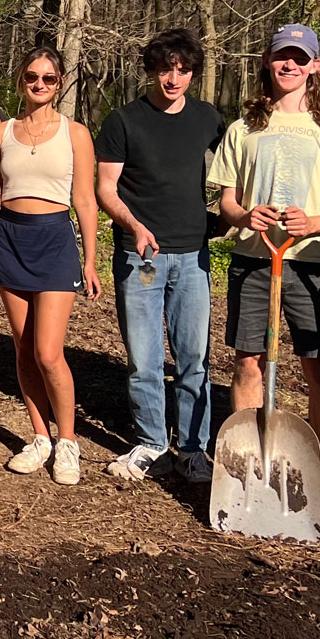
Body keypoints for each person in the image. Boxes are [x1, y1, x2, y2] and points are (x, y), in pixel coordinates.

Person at [209, 23, 320, 514]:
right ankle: (251, 467)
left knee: (319, 366)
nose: (289, 65)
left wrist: (315, 221)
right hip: (255, 261)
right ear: (268, 63)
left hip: (313, 264)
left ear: (315, 65)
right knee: (248, 360)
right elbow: (226, 200)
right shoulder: (244, 127)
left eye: (299, 57)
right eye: (281, 57)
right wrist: (244, 215)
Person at [95, 29, 226, 484]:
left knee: (194, 359)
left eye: (183, 69)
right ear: (151, 69)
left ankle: (193, 450)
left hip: (193, 256)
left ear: (192, 72)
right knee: (144, 360)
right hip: (140, 256)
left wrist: (227, 214)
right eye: (165, 68)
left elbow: (238, 163)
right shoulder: (123, 121)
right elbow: (105, 189)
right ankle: (151, 443)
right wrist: (134, 226)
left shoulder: (209, 119)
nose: (173, 78)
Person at [0, 45, 102, 485]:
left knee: (49, 352)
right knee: (24, 348)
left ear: (60, 82)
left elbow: (85, 201)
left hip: (54, 241)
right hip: (10, 239)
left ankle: (68, 443)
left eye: (49, 78)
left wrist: (90, 261)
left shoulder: (76, 134)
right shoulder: (1, 132)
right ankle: (39, 437)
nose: (39, 85)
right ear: (21, 79)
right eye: (32, 76)